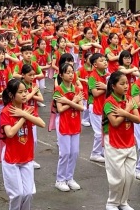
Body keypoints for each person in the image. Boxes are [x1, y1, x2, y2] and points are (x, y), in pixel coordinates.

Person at [0, 78, 45, 210]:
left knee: (29, 193)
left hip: (26, 156)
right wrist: (23, 116)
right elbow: (10, 133)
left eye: (25, 91)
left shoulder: (28, 108)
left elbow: (42, 123)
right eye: (21, 92)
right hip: (11, 158)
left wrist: (23, 113)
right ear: (11, 95)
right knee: (17, 194)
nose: (25, 94)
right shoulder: (6, 112)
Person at [103, 71, 140, 210]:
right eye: (122, 83)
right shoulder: (109, 102)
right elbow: (115, 122)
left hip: (129, 141)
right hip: (114, 143)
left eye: (127, 83)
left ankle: (123, 202)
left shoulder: (129, 100)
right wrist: (128, 111)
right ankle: (112, 203)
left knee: (130, 176)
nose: (126, 86)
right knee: (117, 178)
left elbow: (138, 119)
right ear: (113, 86)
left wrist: (125, 112)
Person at [52, 63, 83, 192]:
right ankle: (60, 180)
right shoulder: (59, 89)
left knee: (74, 152)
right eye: (68, 72)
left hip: (75, 121)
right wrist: (73, 102)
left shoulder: (76, 89)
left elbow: (81, 107)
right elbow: (60, 109)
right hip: (64, 121)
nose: (71, 75)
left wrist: (70, 102)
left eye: (72, 72)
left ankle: (69, 178)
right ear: (61, 75)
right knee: (65, 153)